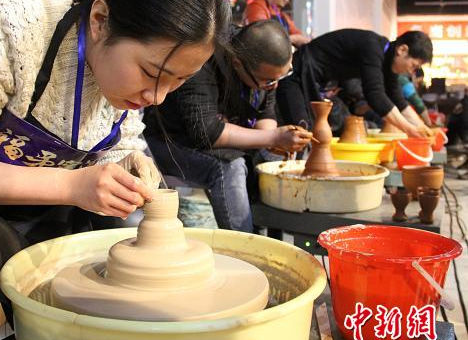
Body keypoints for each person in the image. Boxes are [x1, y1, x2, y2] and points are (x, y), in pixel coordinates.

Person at [0, 0, 230, 340]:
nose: (157, 97)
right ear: (101, 20)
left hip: (44, 208)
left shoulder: (125, 68)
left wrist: (129, 163)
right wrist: (71, 186)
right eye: (151, 74)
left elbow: (118, 137)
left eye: (179, 81)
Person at [144, 20, 312, 233]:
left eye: (281, 77)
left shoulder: (260, 63)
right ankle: (246, 247)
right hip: (169, 139)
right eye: (268, 81)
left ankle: (273, 240)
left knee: (272, 160)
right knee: (229, 167)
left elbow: (265, 111)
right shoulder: (203, 56)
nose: (274, 86)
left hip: (219, 134)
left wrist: (274, 143)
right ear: (237, 64)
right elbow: (207, 132)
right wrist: (273, 138)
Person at [276, 29, 434, 138]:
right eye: (414, 66)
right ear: (402, 50)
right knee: (301, 131)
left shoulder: (387, 60)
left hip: (317, 81)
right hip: (299, 73)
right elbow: (375, 96)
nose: (412, 72)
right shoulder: (373, 47)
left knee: (314, 133)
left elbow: (398, 100)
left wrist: (423, 128)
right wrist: (409, 129)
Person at [246, 0, 310, 48]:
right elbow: (262, 38)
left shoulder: (281, 14)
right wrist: (292, 39)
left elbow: (298, 35)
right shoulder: (256, 6)